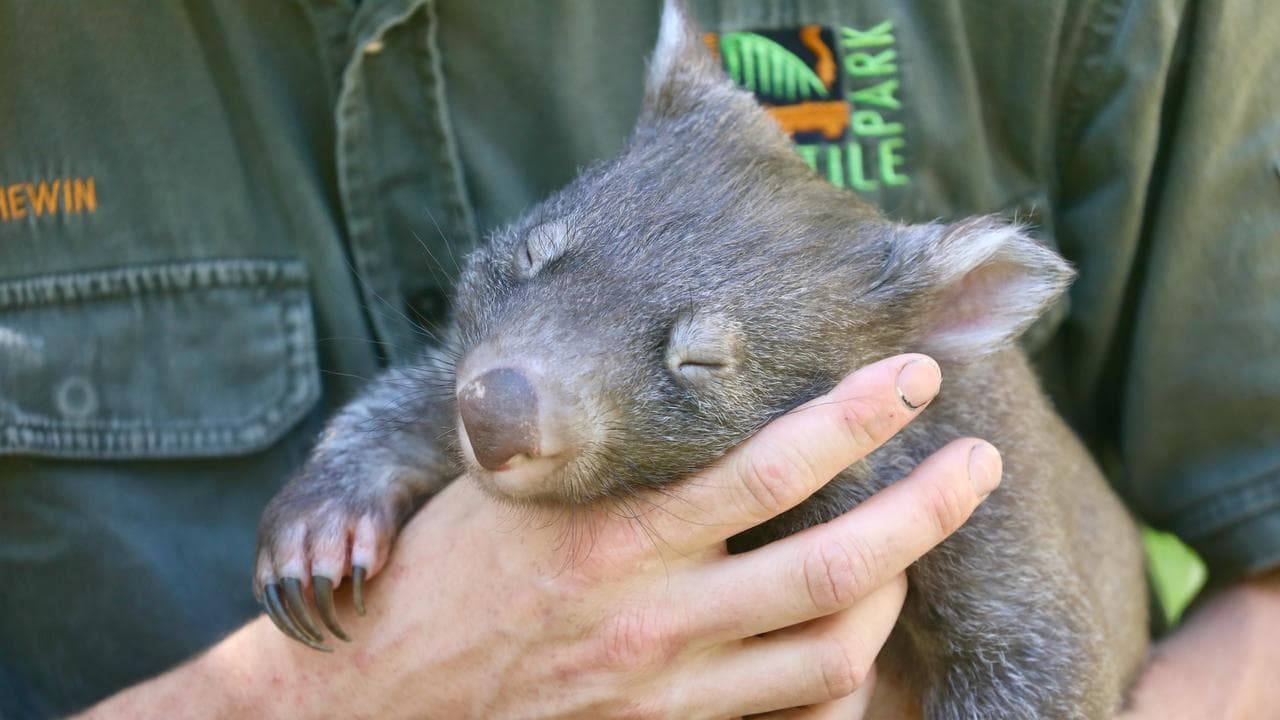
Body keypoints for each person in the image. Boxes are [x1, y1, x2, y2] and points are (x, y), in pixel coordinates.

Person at [0, 1, 1276, 718]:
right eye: (535, 271)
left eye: (698, 364)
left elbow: (1041, 659)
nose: (500, 384)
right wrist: (297, 701)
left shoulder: (923, 372)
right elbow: (424, 415)